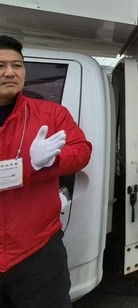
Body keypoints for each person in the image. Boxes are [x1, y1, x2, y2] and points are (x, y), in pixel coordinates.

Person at [0, 35, 92, 307]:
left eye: (17, 65)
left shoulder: (50, 114)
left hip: (38, 250)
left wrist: (51, 161)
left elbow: (82, 150)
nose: (9, 72)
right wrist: (29, 166)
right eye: (1, 65)